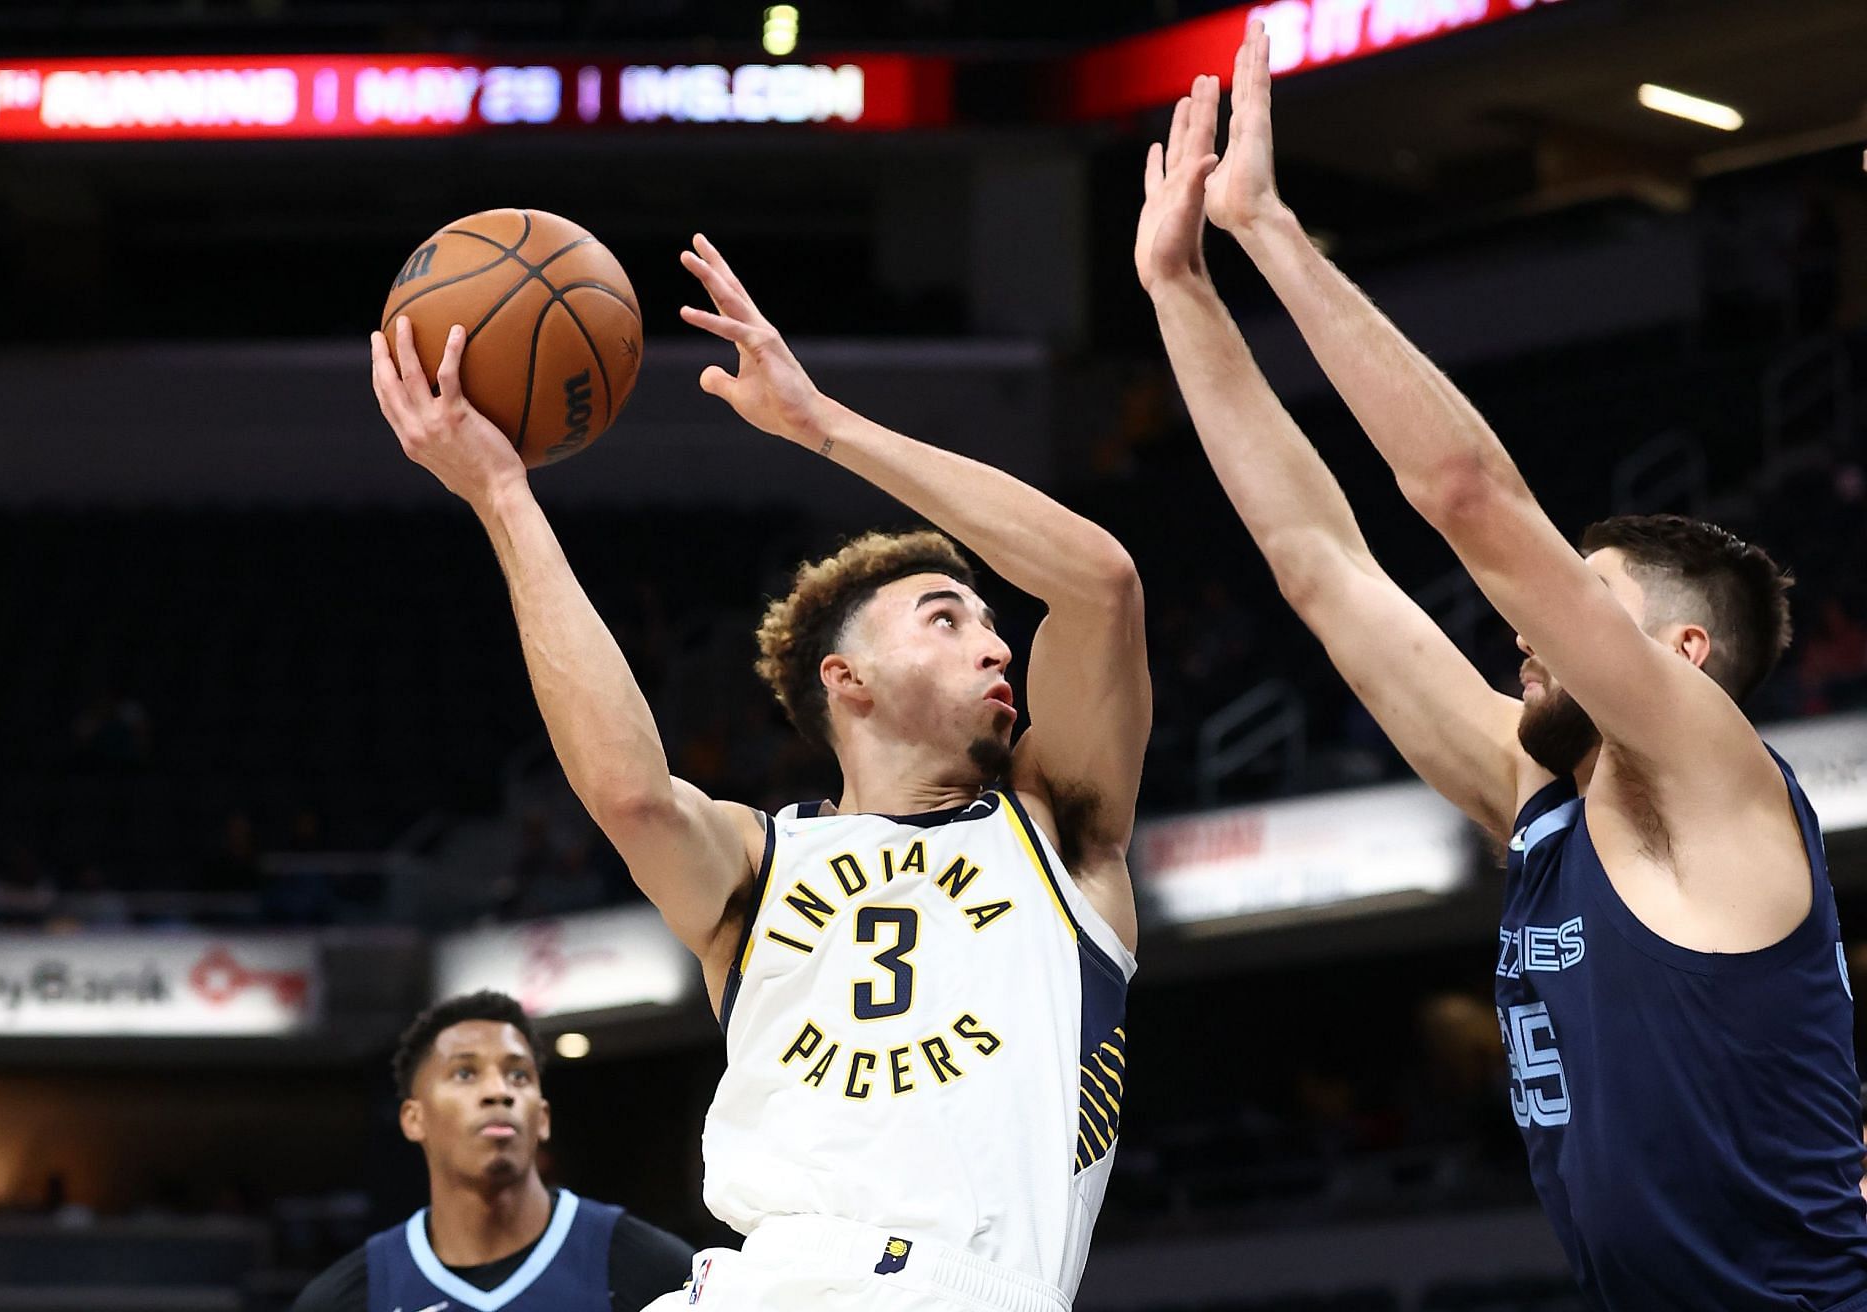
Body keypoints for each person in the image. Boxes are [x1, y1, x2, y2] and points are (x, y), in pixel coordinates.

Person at [1137, 23, 1867, 1310]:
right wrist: (1182, 293)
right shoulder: (1546, 804)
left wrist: (1270, 233)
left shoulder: (1710, 778)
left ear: (1683, 659)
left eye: (1584, 601)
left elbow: (1467, 493)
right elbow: (1321, 564)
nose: (1529, 629)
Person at [368, 231, 1148, 1312]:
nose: (996, 644)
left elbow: (1099, 583)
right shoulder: (758, 859)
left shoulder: (1056, 828)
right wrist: (504, 497)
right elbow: (633, 794)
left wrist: (823, 427)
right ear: (849, 678)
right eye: (946, 615)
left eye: (989, 621)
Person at [289, 991, 693, 1312]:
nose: (499, 1091)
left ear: (543, 1118)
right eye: (465, 1073)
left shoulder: (650, 1271)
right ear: (413, 1119)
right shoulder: (351, 1296)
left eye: (518, 1075)